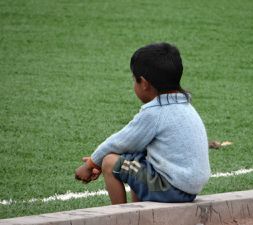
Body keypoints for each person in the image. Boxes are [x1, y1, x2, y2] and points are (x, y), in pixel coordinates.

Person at [75, 42, 211, 204]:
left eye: (135, 80)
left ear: (144, 84)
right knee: (133, 156)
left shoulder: (155, 112)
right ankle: (140, 212)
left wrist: (91, 164)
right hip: (188, 188)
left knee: (110, 162)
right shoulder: (185, 106)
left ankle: (123, 218)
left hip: (170, 188)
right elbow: (130, 147)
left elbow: (118, 142)